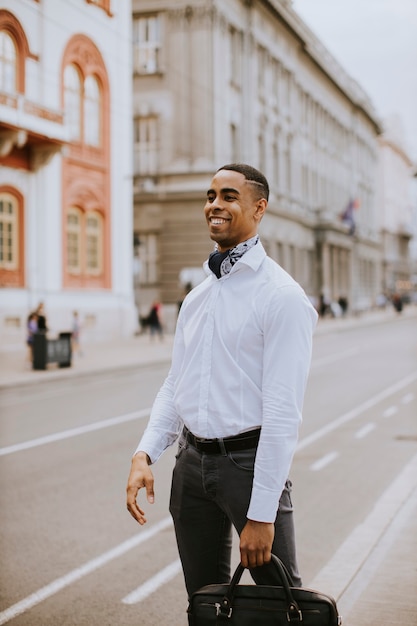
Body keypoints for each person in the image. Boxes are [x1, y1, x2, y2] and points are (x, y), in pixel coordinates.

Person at [126, 164, 318, 601]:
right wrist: (145, 452)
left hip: (249, 467)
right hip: (191, 465)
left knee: (282, 603)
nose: (215, 204)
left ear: (259, 208)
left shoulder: (281, 297)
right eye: (211, 196)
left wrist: (263, 513)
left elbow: (283, 412)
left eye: (229, 196)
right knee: (205, 602)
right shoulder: (198, 297)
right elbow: (177, 384)